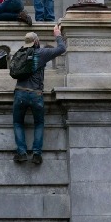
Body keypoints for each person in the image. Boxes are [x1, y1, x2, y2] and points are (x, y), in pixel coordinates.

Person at [12, 25, 66, 164]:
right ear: (36, 42)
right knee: (39, 123)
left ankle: (22, 152)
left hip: (20, 92)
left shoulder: (19, 53)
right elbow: (61, 49)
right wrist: (57, 34)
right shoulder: (41, 53)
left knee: (18, 123)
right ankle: (36, 154)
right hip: (36, 94)